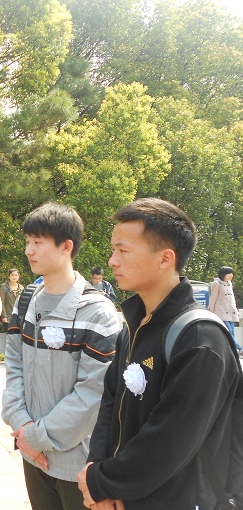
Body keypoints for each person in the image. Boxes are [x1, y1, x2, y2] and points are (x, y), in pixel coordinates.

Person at [77, 198, 241, 509]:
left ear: (165, 258)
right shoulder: (134, 326)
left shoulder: (201, 339)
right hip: (125, 495)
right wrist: (98, 471)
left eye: (123, 251)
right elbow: (110, 403)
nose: (112, 261)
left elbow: (171, 439)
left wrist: (104, 481)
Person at [2, 202, 121, 510]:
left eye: (37, 242)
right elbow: (13, 364)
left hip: (76, 463)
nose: (28, 250)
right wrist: (21, 423)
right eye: (27, 241)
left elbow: (92, 394)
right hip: (32, 455)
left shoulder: (97, 312)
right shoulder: (26, 301)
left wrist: (36, 437)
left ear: (66, 247)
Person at [209, 266, 242, 355]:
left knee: (232, 332)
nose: (231, 275)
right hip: (221, 312)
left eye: (232, 274)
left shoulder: (230, 283)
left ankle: (232, 351)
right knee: (228, 331)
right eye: (229, 273)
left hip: (231, 312)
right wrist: (211, 312)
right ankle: (239, 348)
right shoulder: (216, 284)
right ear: (223, 274)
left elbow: (232, 299)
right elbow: (213, 299)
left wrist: (235, 311)